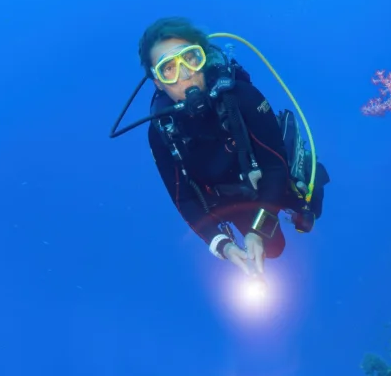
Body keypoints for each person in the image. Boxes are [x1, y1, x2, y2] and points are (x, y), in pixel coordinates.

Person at [134, 16, 329, 277]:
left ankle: (302, 173)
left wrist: (257, 230)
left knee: (310, 210)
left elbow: (274, 165)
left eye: (191, 58)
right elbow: (184, 199)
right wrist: (222, 245)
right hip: (230, 196)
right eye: (168, 68)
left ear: (203, 58)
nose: (185, 74)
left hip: (267, 173)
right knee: (274, 249)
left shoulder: (242, 97)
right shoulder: (160, 132)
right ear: (157, 81)